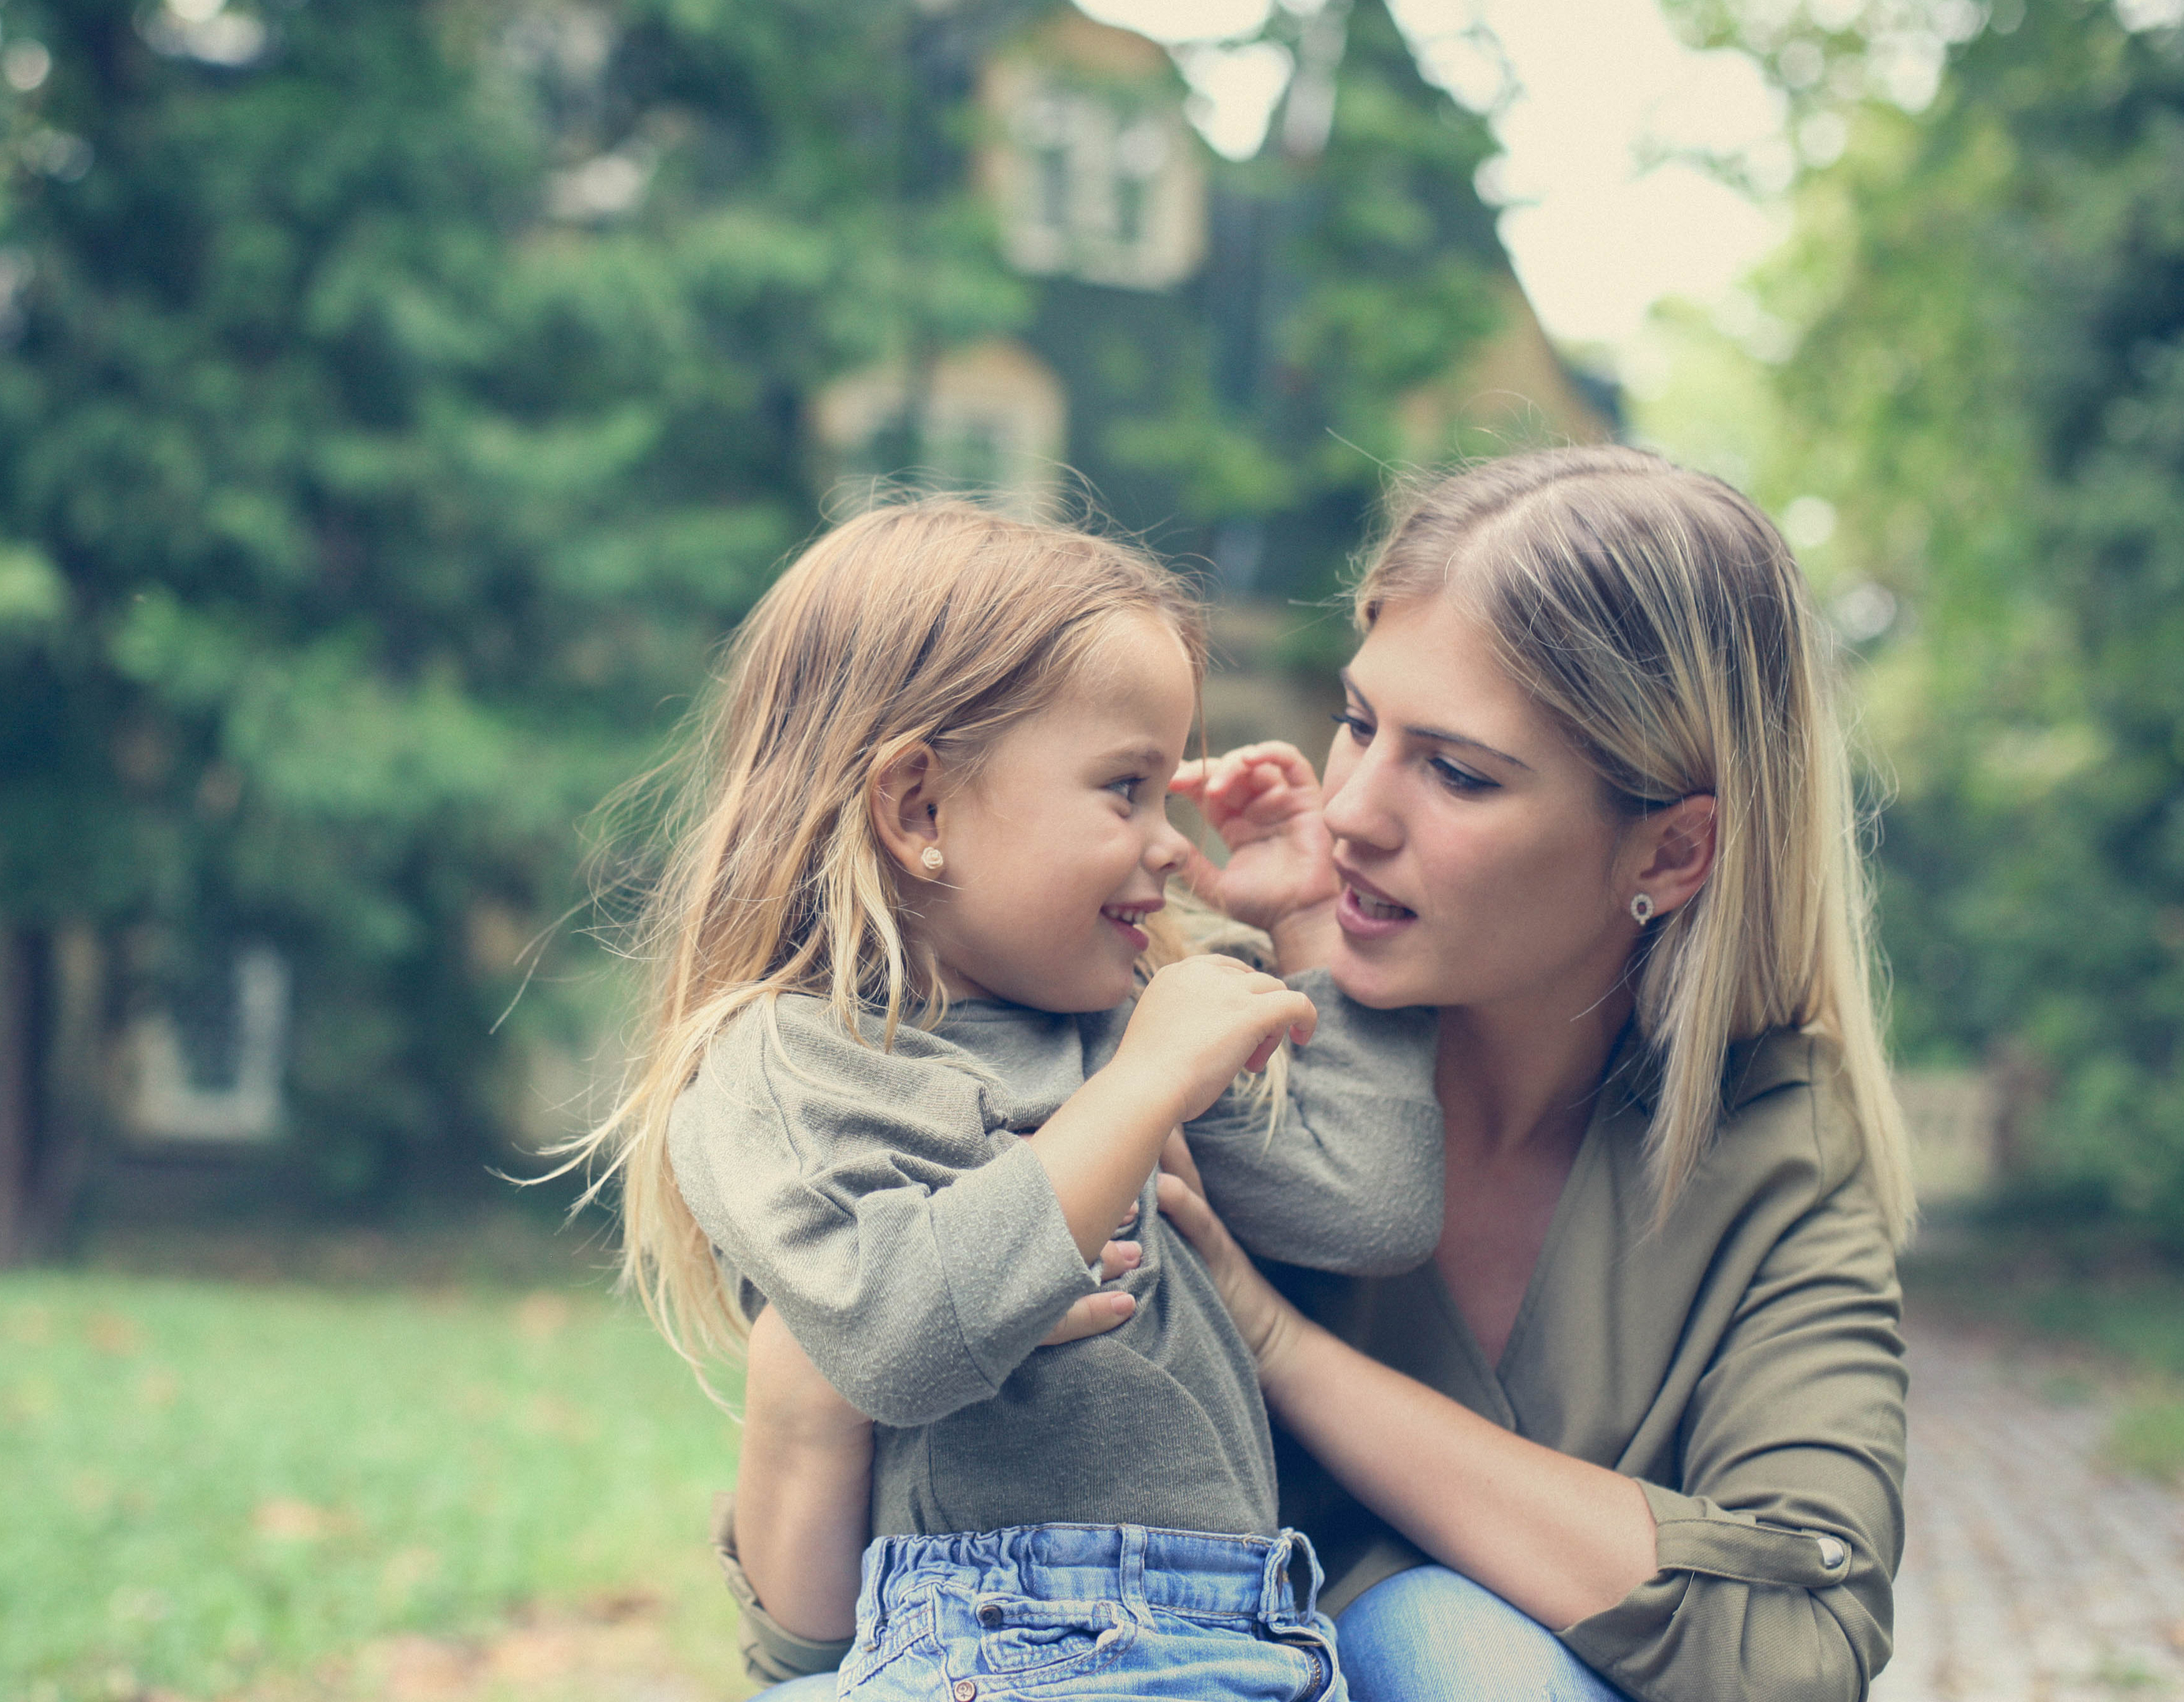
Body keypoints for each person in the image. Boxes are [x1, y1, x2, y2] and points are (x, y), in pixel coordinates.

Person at [727, 447, 1916, 1702]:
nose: (1350, 808)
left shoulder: (1776, 1142)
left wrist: (1277, 1340)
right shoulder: (1171, 1026)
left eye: (1456, 770)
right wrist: (807, 1382)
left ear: (1673, 851)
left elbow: (1799, 1654)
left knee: (1450, 1641)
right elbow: (827, 1654)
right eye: (1358, 722)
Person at [576, 498, 1459, 1701]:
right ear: (920, 810)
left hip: (1250, 1634)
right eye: (1124, 788)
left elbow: (1372, 1206)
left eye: (1167, 790)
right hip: (994, 1647)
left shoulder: (1128, 1020)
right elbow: (895, 1342)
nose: (1167, 842)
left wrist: (1304, 926)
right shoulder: (787, 1062)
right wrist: (1141, 1090)